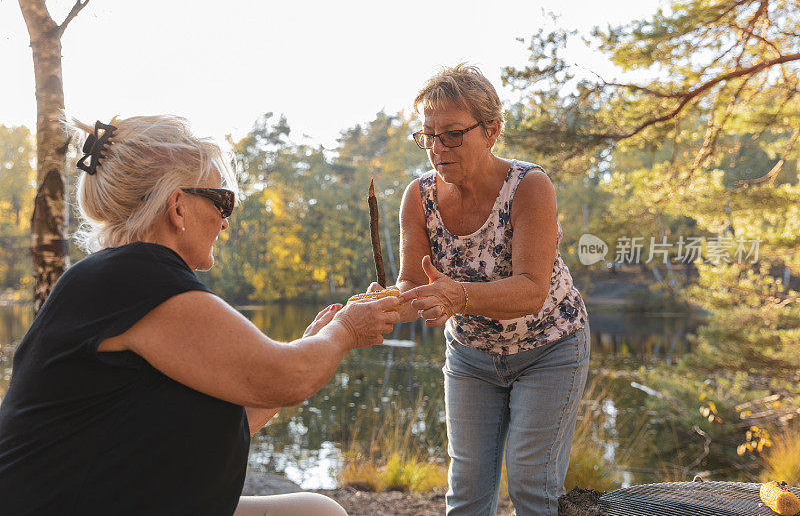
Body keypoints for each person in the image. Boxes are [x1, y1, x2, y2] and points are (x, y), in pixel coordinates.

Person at [0, 115, 400, 516]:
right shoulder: (135, 278)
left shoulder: (115, 279)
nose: (226, 221)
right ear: (177, 207)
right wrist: (346, 330)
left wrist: (314, 342)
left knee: (317, 512)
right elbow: (286, 377)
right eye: (222, 200)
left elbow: (227, 420)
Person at [391, 65, 590, 515]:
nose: (438, 149)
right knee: (467, 492)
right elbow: (415, 283)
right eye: (429, 136)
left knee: (532, 485)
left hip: (550, 348)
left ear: (493, 130)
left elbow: (531, 290)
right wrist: (388, 302)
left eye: (453, 134)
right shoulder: (417, 197)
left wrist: (456, 296)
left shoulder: (529, 187)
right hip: (471, 358)